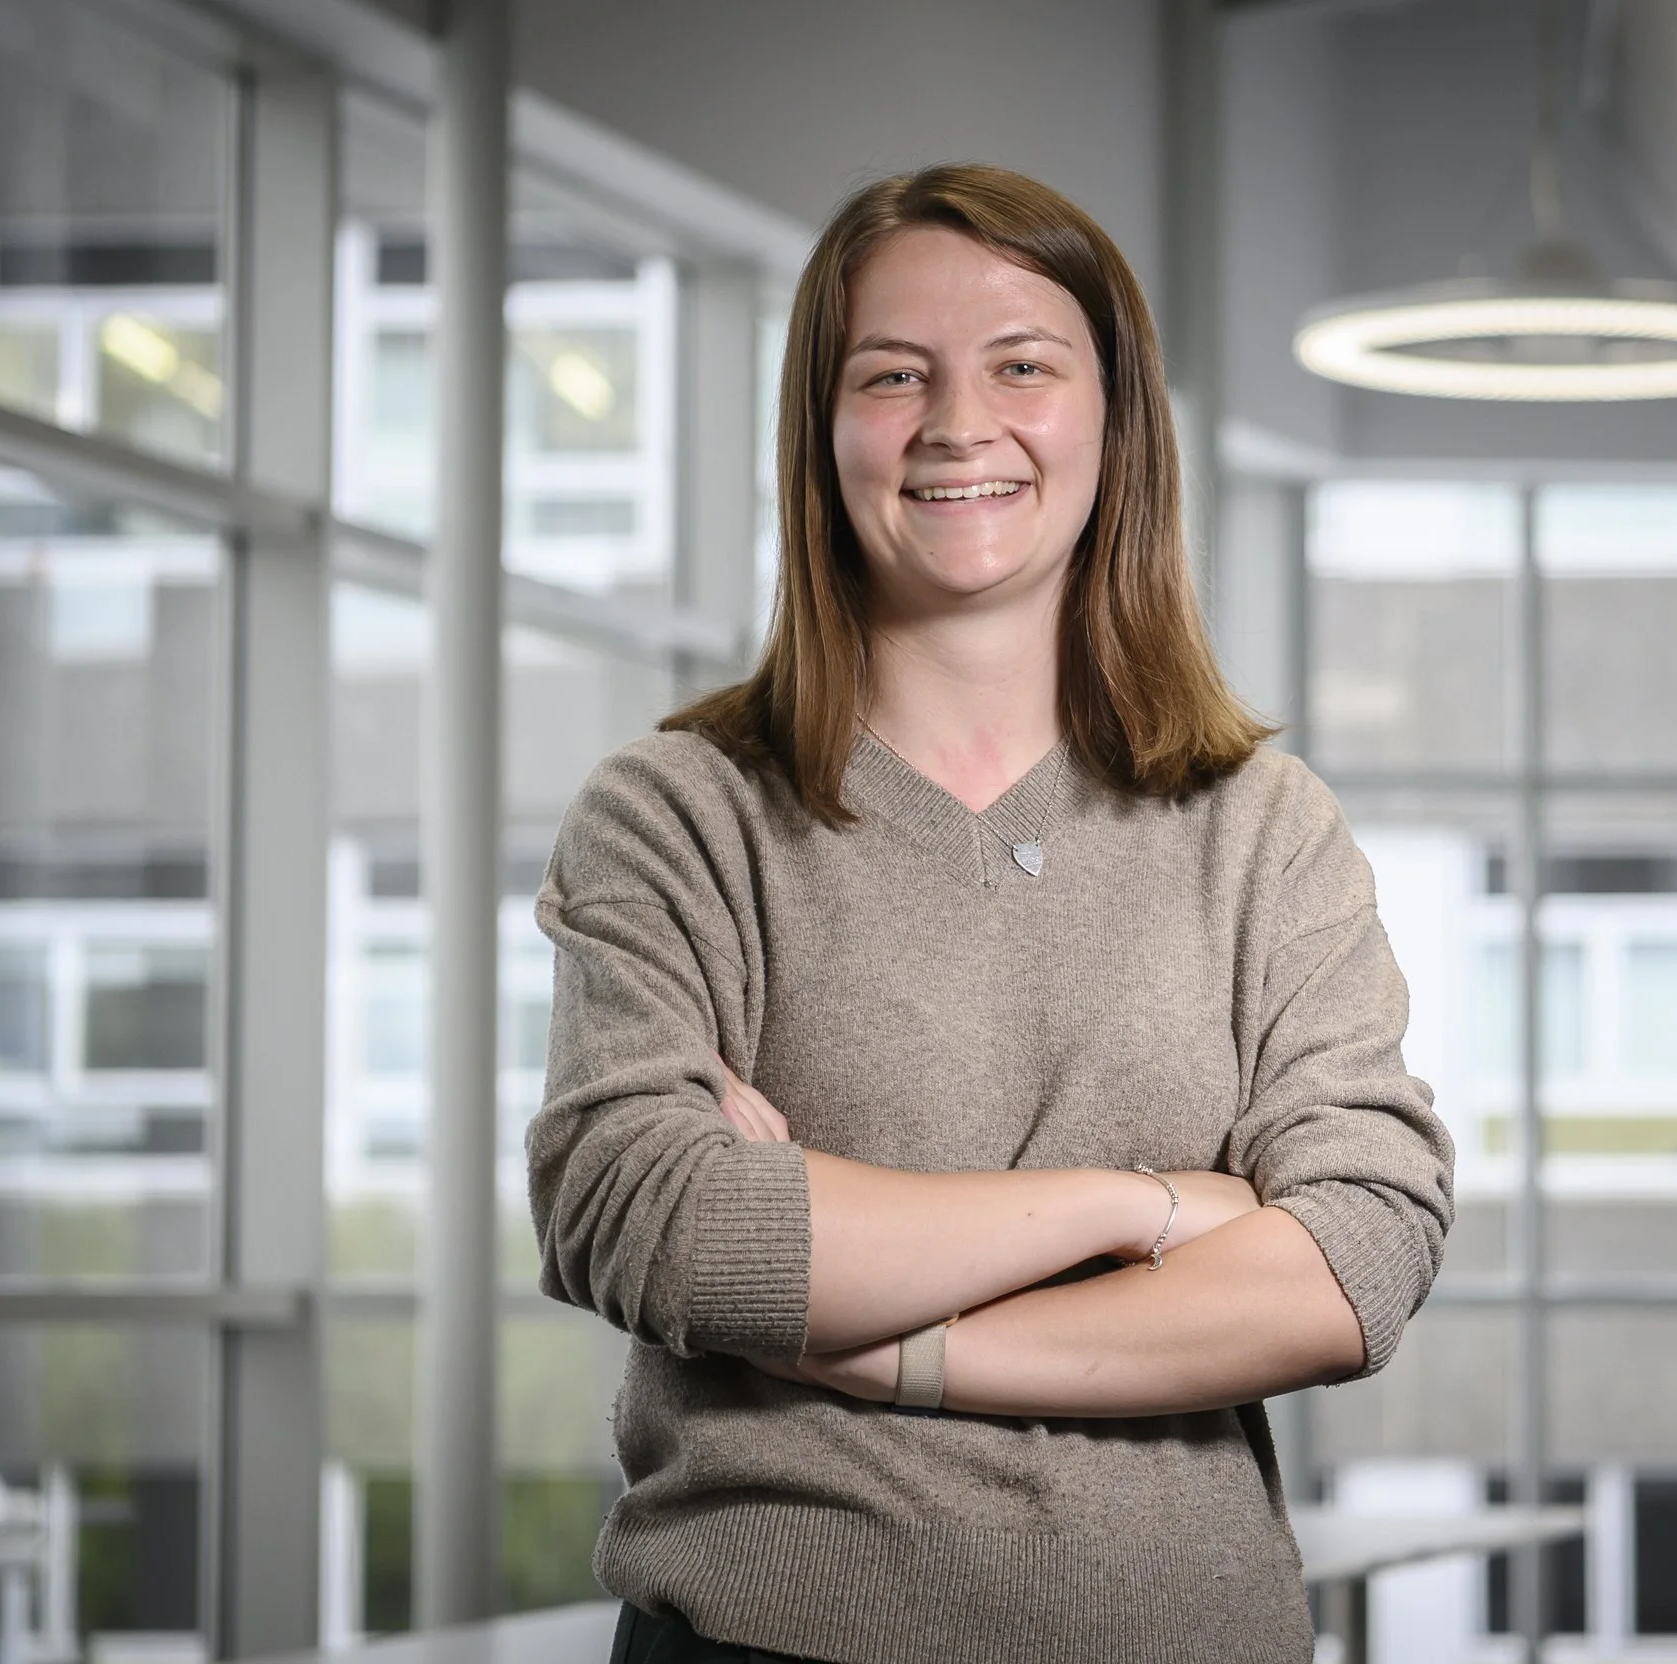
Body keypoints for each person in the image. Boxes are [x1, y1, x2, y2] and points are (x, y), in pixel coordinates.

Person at [528, 162, 1454, 1664]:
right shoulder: (680, 813)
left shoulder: (1262, 831)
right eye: (895, 376)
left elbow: (1362, 1252)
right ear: (823, 435)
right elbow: (654, 1220)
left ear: (1115, 419)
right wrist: (1142, 1206)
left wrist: (894, 1351)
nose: (960, 424)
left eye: (1023, 365)